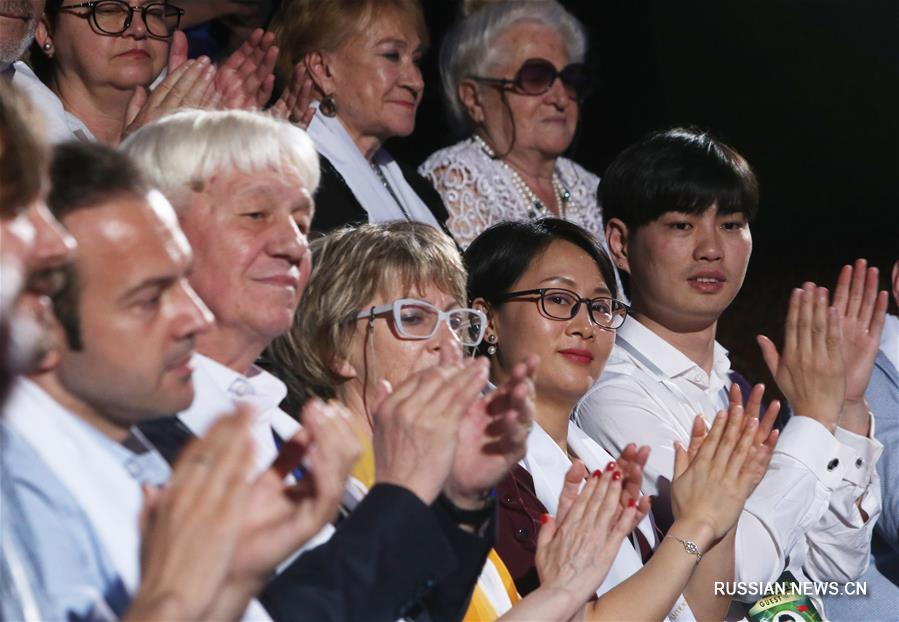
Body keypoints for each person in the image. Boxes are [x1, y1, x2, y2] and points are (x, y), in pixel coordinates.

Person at [122, 109, 502, 621]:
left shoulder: (286, 432)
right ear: (161, 233)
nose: (292, 246)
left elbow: (406, 610)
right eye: (256, 214)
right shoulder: (129, 432)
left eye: (301, 222)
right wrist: (403, 494)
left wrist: (459, 499)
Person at [3, 139, 357, 621]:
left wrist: (237, 576)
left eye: (183, 283)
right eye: (149, 299)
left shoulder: (141, 451)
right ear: (41, 317)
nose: (194, 317)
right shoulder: (20, 493)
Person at [573, 128, 886, 615]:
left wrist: (845, 407)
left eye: (732, 224)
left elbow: (834, 569)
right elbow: (735, 577)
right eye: (681, 225)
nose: (711, 249)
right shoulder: (610, 393)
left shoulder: (731, 386)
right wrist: (815, 421)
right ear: (619, 243)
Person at [464, 217, 777, 621]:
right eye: (558, 300)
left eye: (599, 307)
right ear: (487, 319)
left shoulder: (596, 460)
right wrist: (693, 527)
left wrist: (720, 513)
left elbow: (695, 613)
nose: (584, 326)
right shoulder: (477, 465)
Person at [419, 1, 605, 251]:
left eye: (570, 79)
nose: (560, 99)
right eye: (535, 78)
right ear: (474, 98)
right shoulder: (457, 179)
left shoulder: (588, 186)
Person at [269, 0, 449, 233]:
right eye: (392, 55)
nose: (416, 81)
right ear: (322, 69)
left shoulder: (417, 188)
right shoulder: (296, 180)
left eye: (416, 60)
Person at [25, 0, 280, 144]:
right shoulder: (23, 137)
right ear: (45, 30)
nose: (138, 28)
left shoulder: (192, 120)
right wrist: (142, 156)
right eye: (109, 10)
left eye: (154, 13)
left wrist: (235, 145)